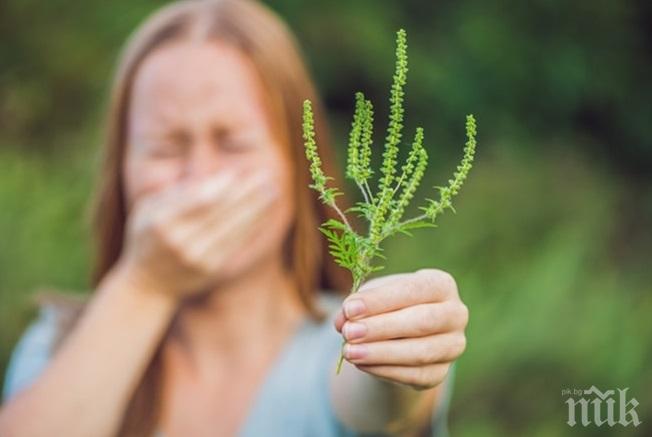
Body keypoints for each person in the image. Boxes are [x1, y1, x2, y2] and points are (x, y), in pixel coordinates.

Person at [0, 1, 469, 436]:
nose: (200, 179)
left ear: (299, 165)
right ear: (121, 169)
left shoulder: (334, 344)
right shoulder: (60, 346)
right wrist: (145, 285)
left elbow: (382, 403)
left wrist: (400, 357)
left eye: (234, 144)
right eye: (165, 147)